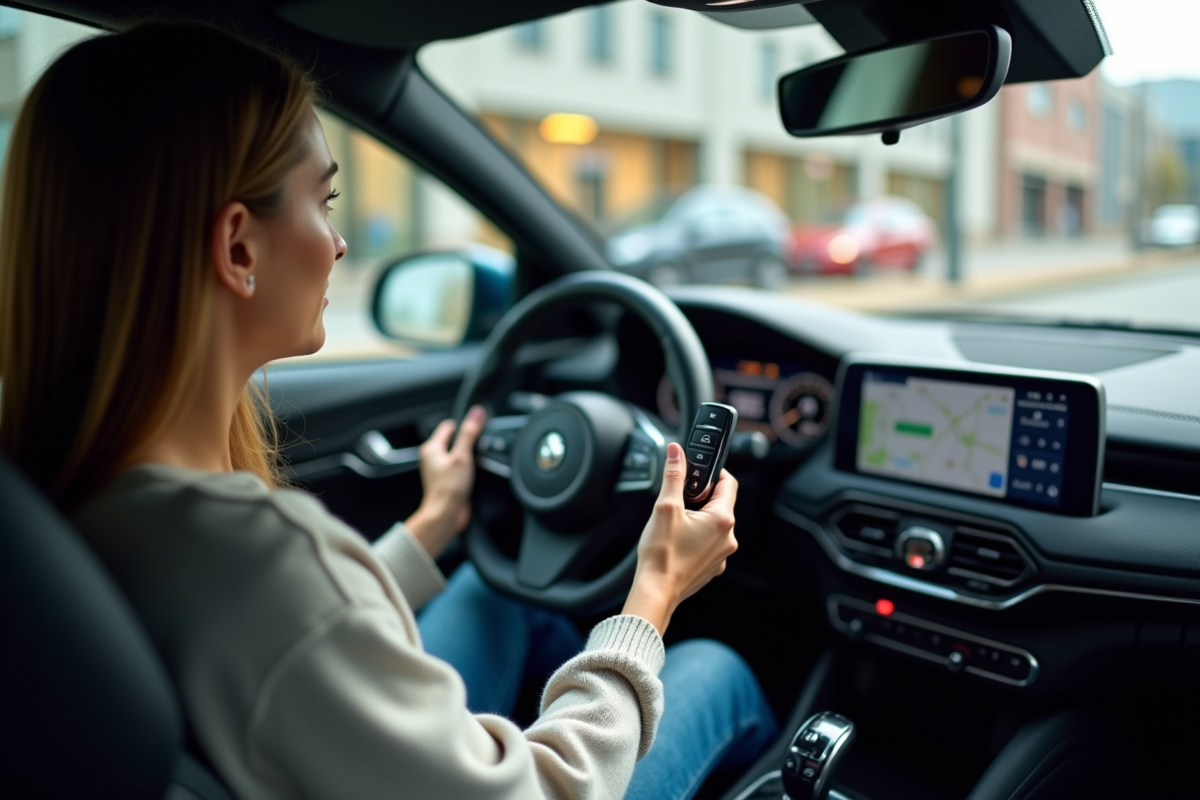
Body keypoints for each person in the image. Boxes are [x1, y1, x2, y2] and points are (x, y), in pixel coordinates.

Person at [0, 20, 776, 800]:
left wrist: (434, 523)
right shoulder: (267, 559)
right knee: (720, 671)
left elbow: (297, 644)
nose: (337, 243)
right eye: (324, 200)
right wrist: (655, 591)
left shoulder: (58, 495)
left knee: (488, 592)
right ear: (238, 249)